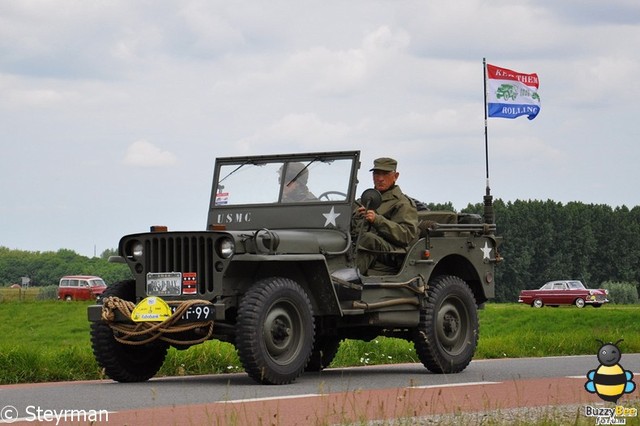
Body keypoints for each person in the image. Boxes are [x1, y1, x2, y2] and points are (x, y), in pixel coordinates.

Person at [353, 157, 418, 274]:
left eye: (385, 174)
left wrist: (377, 220)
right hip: (364, 247)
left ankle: (348, 278)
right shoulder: (364, 200)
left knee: (369, 239)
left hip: (393, 253)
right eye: (376, 174)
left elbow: (406, 235)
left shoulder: (402, 203)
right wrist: (355, 215)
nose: (380, 179)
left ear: (395, 176)